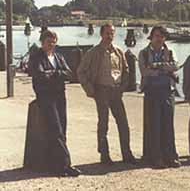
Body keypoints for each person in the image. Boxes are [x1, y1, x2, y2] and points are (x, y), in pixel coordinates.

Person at [77, 22, 137, 165]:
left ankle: (127, 154)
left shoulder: (118, 51)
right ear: (102, 34)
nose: (109, 36)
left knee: (123, 124)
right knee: (103, 124)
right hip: (101, 90)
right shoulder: (93, 52)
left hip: (116, 91)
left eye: (112, 33)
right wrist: (90, 90)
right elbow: (81, 71)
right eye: (107, 33)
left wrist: (123, 87)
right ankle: (104, 155)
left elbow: (126, 70)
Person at [31, 29, 81, 177]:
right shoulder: (37, 57)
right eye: (48, 41)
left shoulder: (59, 57)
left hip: (60, 96)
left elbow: (69, 73)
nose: (51, 44)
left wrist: (53, 74)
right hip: (45, 97)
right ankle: (65, 165)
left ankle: (56, 164)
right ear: (42, 42)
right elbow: (39, 75)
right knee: (56, 130)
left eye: (54, 41)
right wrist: (58, 74)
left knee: (62, 129)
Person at [138, 25, 181, 168]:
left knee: (168, 125)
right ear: (151, 36)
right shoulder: (143, 53)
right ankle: (156, 157)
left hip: (168, 91)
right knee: (154, 125)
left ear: (165, 38)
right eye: (156, 36)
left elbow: (175, 66)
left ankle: (171, 156)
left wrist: (157, 66)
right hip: (151, 91)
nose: (159, 39)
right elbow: (144, 71)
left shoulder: (171, 51)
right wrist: (162, 70)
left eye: (161, 36)